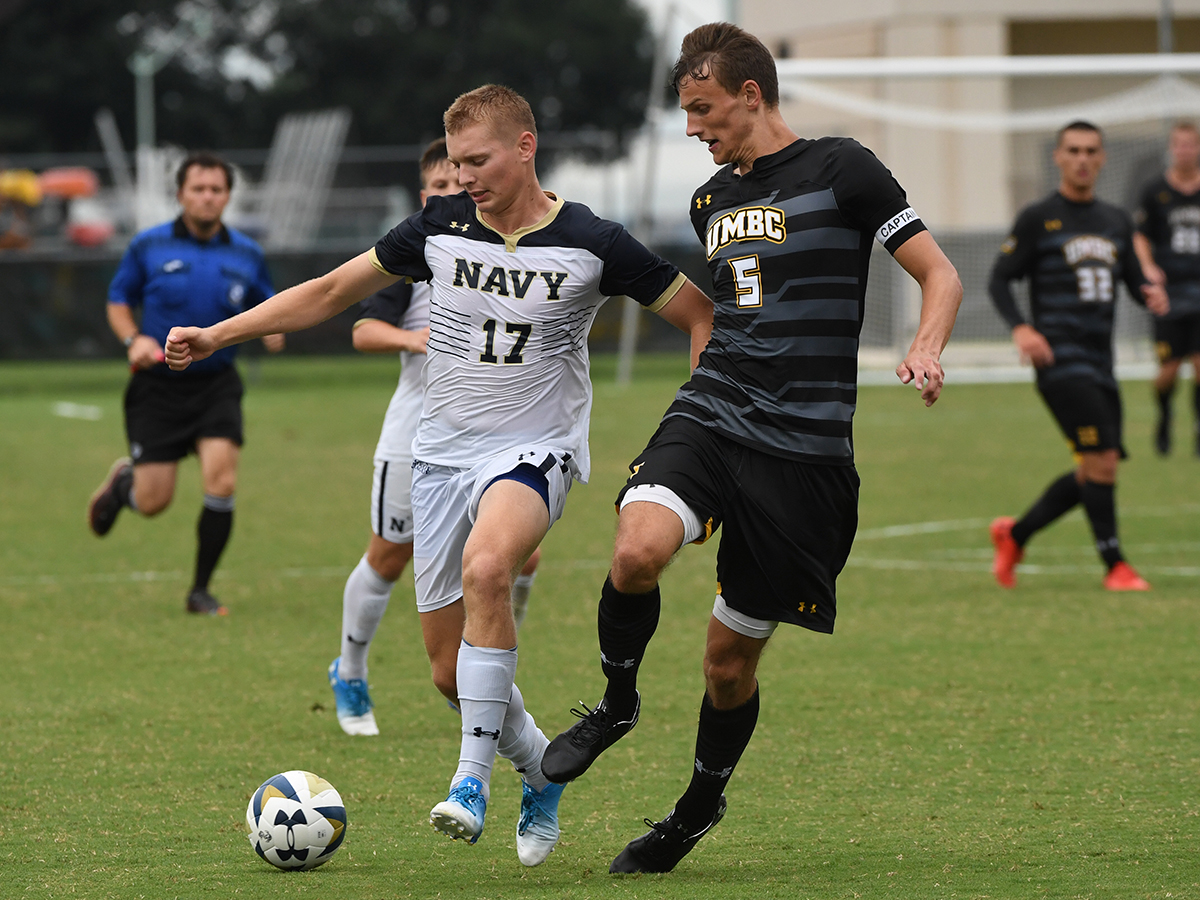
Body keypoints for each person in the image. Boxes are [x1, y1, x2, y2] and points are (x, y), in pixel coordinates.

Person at [162, 84, 714, 868]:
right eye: (454, 163)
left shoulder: (595, 240)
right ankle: (539, 774)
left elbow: (699, 316)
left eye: (477, 161)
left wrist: (697, 436)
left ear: (525, 147)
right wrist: (219, 334)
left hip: (535, 451)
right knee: (449, 672)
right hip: (441, 455)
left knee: (491, 566)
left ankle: (469, 782)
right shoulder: (438, 227)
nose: (464, 178)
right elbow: (326, 294)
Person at [540, 23, 962, 874]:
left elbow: (940, 274)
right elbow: (730, 314)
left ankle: (696, 809)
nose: (693, 128)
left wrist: (926, 346)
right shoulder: (711, 201)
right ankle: (617, 703)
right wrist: (696, 400)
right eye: (686, 113)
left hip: (803, 452)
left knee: (727, 666)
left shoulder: (845, 168)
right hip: (717, 408)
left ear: (751, 95)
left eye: (702, 110)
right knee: (636, 548)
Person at [328, 138, 543, 737]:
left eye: (465, 181)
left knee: (515, 552)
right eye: (443, 187)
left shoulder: (517, 251)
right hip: (417, 436)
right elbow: (363, 330)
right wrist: (416, 339)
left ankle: (492, 658)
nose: (458, 194)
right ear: (427, 197)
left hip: (496, 435)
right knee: (390, 555)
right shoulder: (416, 254)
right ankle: (349, 670)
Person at [86, 151, 284, 616]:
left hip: (217, 384)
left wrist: (275, 327)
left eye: (217, 190)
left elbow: (268, 303)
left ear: (227, 197)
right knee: (153, 502)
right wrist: (133, 339)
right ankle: (124, 487)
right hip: (158, 386)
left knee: (222, 478)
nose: (208, 197)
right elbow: (118, 301)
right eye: (199, 188)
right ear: (180, 195)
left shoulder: (247, 253)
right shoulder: (148, 245)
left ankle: (200, 591)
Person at [988, 121, 1169, 592]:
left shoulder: (1115, 221)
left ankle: (1015, 534)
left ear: (1102, 158)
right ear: (1059, 157)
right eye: (1073, 150)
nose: (1082, 158)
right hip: (1059, 360)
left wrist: (1150, 293)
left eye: (1091, 150)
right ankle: (1116, 567)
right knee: (1102, 458)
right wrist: (1023, 329)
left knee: (1095, 466)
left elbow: (1131, 277)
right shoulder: (1038, 218)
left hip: (1100, 360)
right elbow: (999, 279)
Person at [1133, 121, 1200, 456]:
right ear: (1172, 149)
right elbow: (1141, 234)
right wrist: (1148, 265)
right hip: (1170, 294)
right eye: (1179, 145)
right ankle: (1164, 413)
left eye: (1191, 144)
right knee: (1169, 370)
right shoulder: (1155, 190)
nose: (1185, 150)